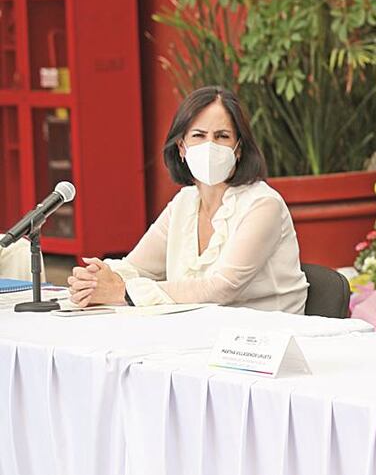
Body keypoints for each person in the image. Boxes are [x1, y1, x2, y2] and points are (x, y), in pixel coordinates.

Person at [67, 86, 308, 313]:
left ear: (239, 149)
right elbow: (138, 267)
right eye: (199, 135)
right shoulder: (184, 202)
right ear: (181, 147)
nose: (210, 146)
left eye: (222, 136)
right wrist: (97, 279)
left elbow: (222, 287)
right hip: (197, 330)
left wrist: (124, 292)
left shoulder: (263, 204)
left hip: (262, 336)